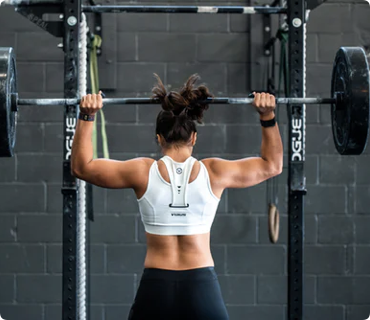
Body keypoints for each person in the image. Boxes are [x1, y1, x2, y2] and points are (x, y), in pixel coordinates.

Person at [71, 74, 283, 320]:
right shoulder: (214, 172)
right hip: (201, 285)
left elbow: (81, 167)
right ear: (194, 137)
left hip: (156, 286)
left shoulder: (142, 172)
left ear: (159, 138)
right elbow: (272, 165)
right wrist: (267, 116)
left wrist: (87, 116)